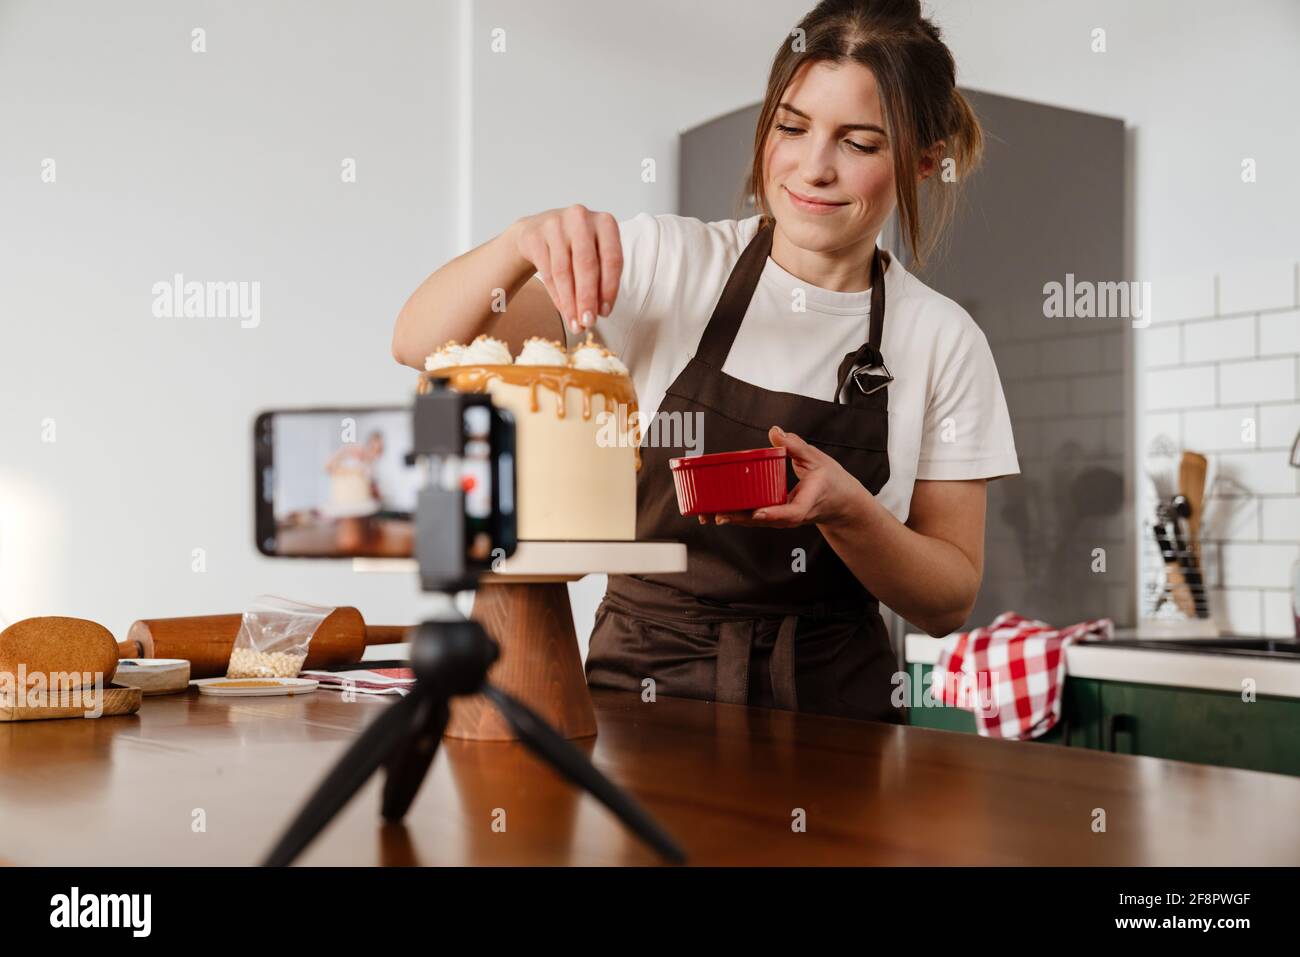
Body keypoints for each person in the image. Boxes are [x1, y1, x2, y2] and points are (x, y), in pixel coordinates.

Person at [392, 0, 1019, 722]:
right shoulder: (665, 263)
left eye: (860, 143)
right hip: (640, 691)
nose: (813, 168)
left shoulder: (944, 339)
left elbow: (948, 600)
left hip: (837, 709)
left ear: (923, 159)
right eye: (791, 127)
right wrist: (517, 242)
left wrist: (850, 512)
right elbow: (421, 341)